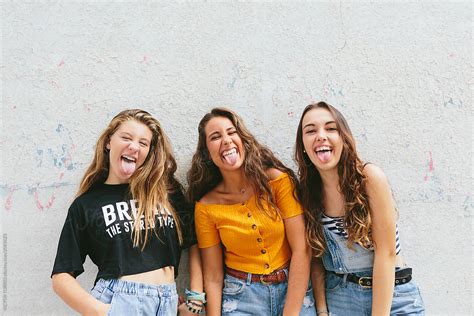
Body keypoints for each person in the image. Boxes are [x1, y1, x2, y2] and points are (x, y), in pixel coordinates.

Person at [51, 109, 204, 315]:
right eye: (126, 137)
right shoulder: (86, 204)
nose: (134, 146)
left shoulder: (166, 193)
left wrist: (194, 302)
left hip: (167, 301)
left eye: (143, 143)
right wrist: (102, 311)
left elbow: (194, 243)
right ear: (108, 142)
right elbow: (61, 277)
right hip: (118, 300)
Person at [294, 101, 425, 315]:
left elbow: (387, 253)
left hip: (393, 297)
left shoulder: (368, 178)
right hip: (340, 299)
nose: (320, 135)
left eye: (330, 128)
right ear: (303, 145)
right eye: (310, 130)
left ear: (343, 137)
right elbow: (316, 259)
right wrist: (322, 311)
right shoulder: (307, 193)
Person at [187, 107, 315, 316]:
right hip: (241, 298)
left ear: (243, 139)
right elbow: (213, 277)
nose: (226, 140)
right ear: (207, 153)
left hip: (292, 288)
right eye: (216, 137)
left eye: (231, 132)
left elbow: (302, 249)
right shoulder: (206, 207)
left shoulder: (276, 181)